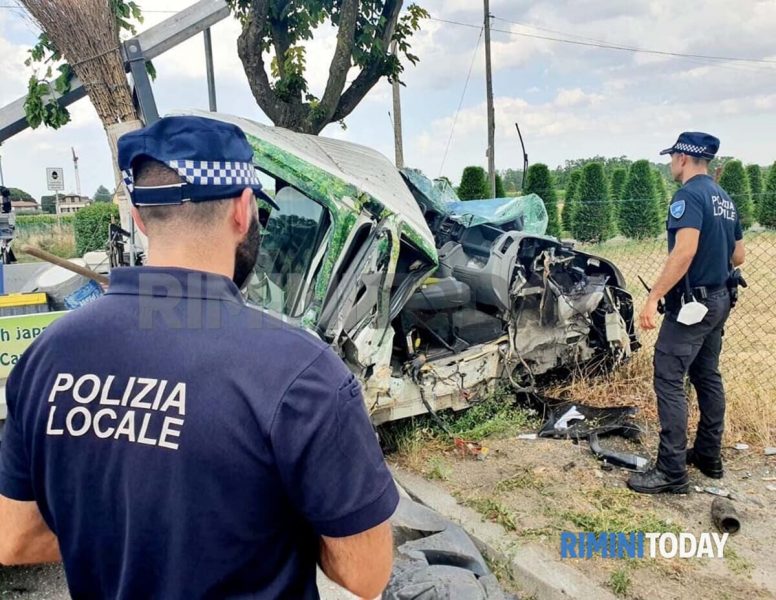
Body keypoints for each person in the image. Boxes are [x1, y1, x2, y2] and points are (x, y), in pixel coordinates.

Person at [0, 116, 398, 598]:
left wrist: (127, 538)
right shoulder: (301, 375)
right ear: (243, 210)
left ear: (142, 219)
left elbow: (15, 538)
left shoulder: (46, 357)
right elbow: (366, 571)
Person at [628, 132, 746, 495]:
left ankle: (671, 471)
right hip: (721, 298)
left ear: (682, 158)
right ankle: (709, 457)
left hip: (693, 305)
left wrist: (653, 298)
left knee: (668, 376)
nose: (670, 164)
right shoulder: (724, 198)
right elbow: (738, 256)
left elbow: (684, 251)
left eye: (671, 157)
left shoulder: (688, 196)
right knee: (707, 374)